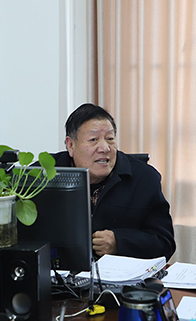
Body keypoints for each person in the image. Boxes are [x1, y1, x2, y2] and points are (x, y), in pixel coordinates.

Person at [51, 103, 175, 260]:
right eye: (93, 139)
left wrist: (119, 242)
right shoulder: (43, 175)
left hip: (123, 274)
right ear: (70, 145)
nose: (104, 148)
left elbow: (165, 244)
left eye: (110, 139)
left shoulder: (144, 179)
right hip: (59, 272)